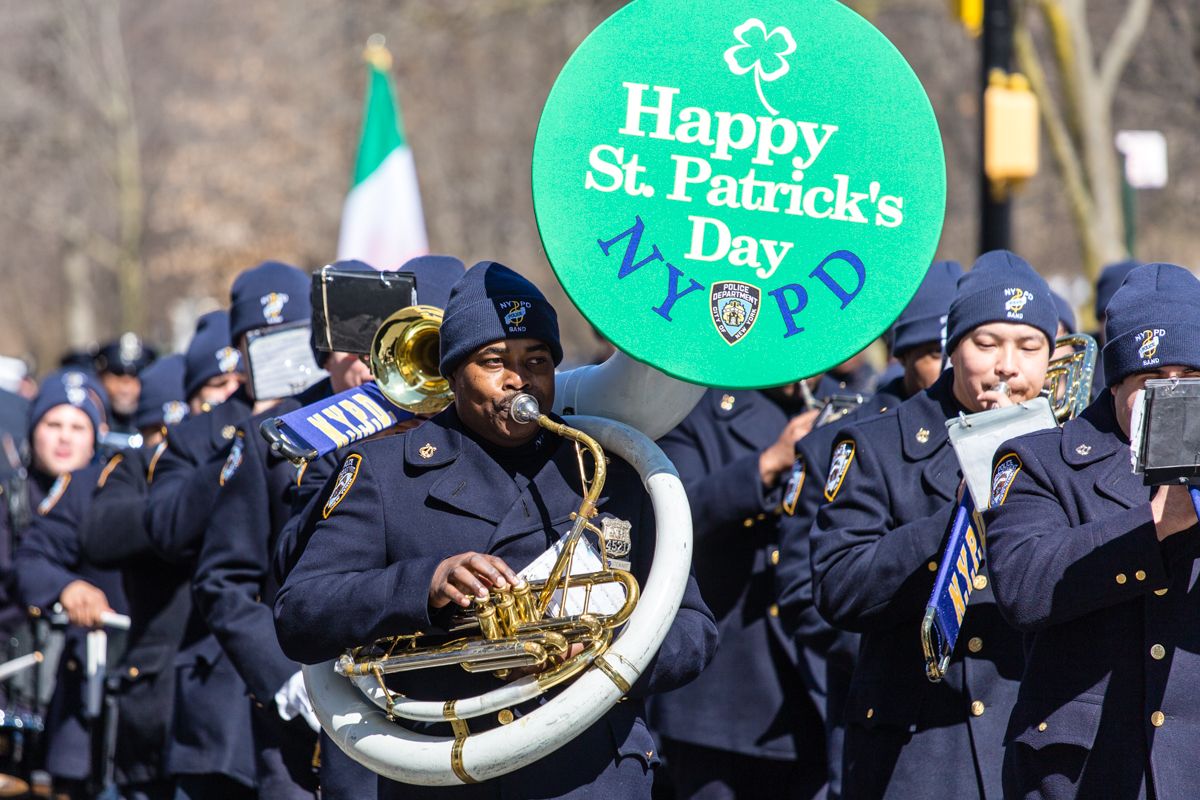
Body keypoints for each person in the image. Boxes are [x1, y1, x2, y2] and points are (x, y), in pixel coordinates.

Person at [275, 260, 718, 799]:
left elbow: (693, 628)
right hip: (448, 777)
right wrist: (425, 585)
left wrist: (599, 652)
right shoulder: (385, 472)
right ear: (455, 372)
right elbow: (300, 613)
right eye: (494, 362)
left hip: (592, 776)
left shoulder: (611, 471)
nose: (519, 379)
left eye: (537, 361)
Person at [193, 255, 465, 800]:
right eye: (353, 346)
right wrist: (283, 678)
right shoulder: (279, 433)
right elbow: (225, 578)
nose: (366, 364)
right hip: (323, 696)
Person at [810, 250, 1058, 799]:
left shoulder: (1071, 445)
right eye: (986, 344)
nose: (1007, 367)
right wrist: (955, 523)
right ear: (953, 348)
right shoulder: (878, 443)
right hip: (917, 751)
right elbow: (837, 587)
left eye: (1029, 346)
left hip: (1033, 742)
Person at [984, 262, 1200, 800]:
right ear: (1118, 380)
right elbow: (1023, 589)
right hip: (1082, 774)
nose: (1173, 397)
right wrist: (1153, 525)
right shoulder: (1040, 461)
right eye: (1153, 381)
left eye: (1191, 381)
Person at [775, 258, 962, 800]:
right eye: (933, 353)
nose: (951, 366)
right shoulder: (847, 440)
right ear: (902, 356)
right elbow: (804, 592)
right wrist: (897, 643)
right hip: (887, 701)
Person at [145, 260, 309, 799]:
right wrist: (244, 444)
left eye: (290, 335)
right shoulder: (201, 434)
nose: (274, 348)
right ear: (239, 348)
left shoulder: (331, 412)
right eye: (259, 338)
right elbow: (166, 527)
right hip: (222, 691)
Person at [647, 378, 825, 798]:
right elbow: (672, 515)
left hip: (809, 684)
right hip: (725, 690)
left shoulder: (838, 404)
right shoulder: (693, 406)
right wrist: (768, 464)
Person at [78, 354, 189, 800]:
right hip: (154, 697)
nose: (163, 448)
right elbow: (99, 533)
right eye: (154, 436)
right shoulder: (130, 469)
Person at [12, 371, 120, 798]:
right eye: (53, 425)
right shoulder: (11, 493)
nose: (64, 439)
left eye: (78, 427)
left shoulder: (104, 492)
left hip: (83, 678)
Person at [95, 332, 156, 434]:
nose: (125, 388)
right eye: (117, 374)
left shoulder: (159, 422)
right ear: (102, 377)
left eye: (135, 375)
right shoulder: (86, 421)